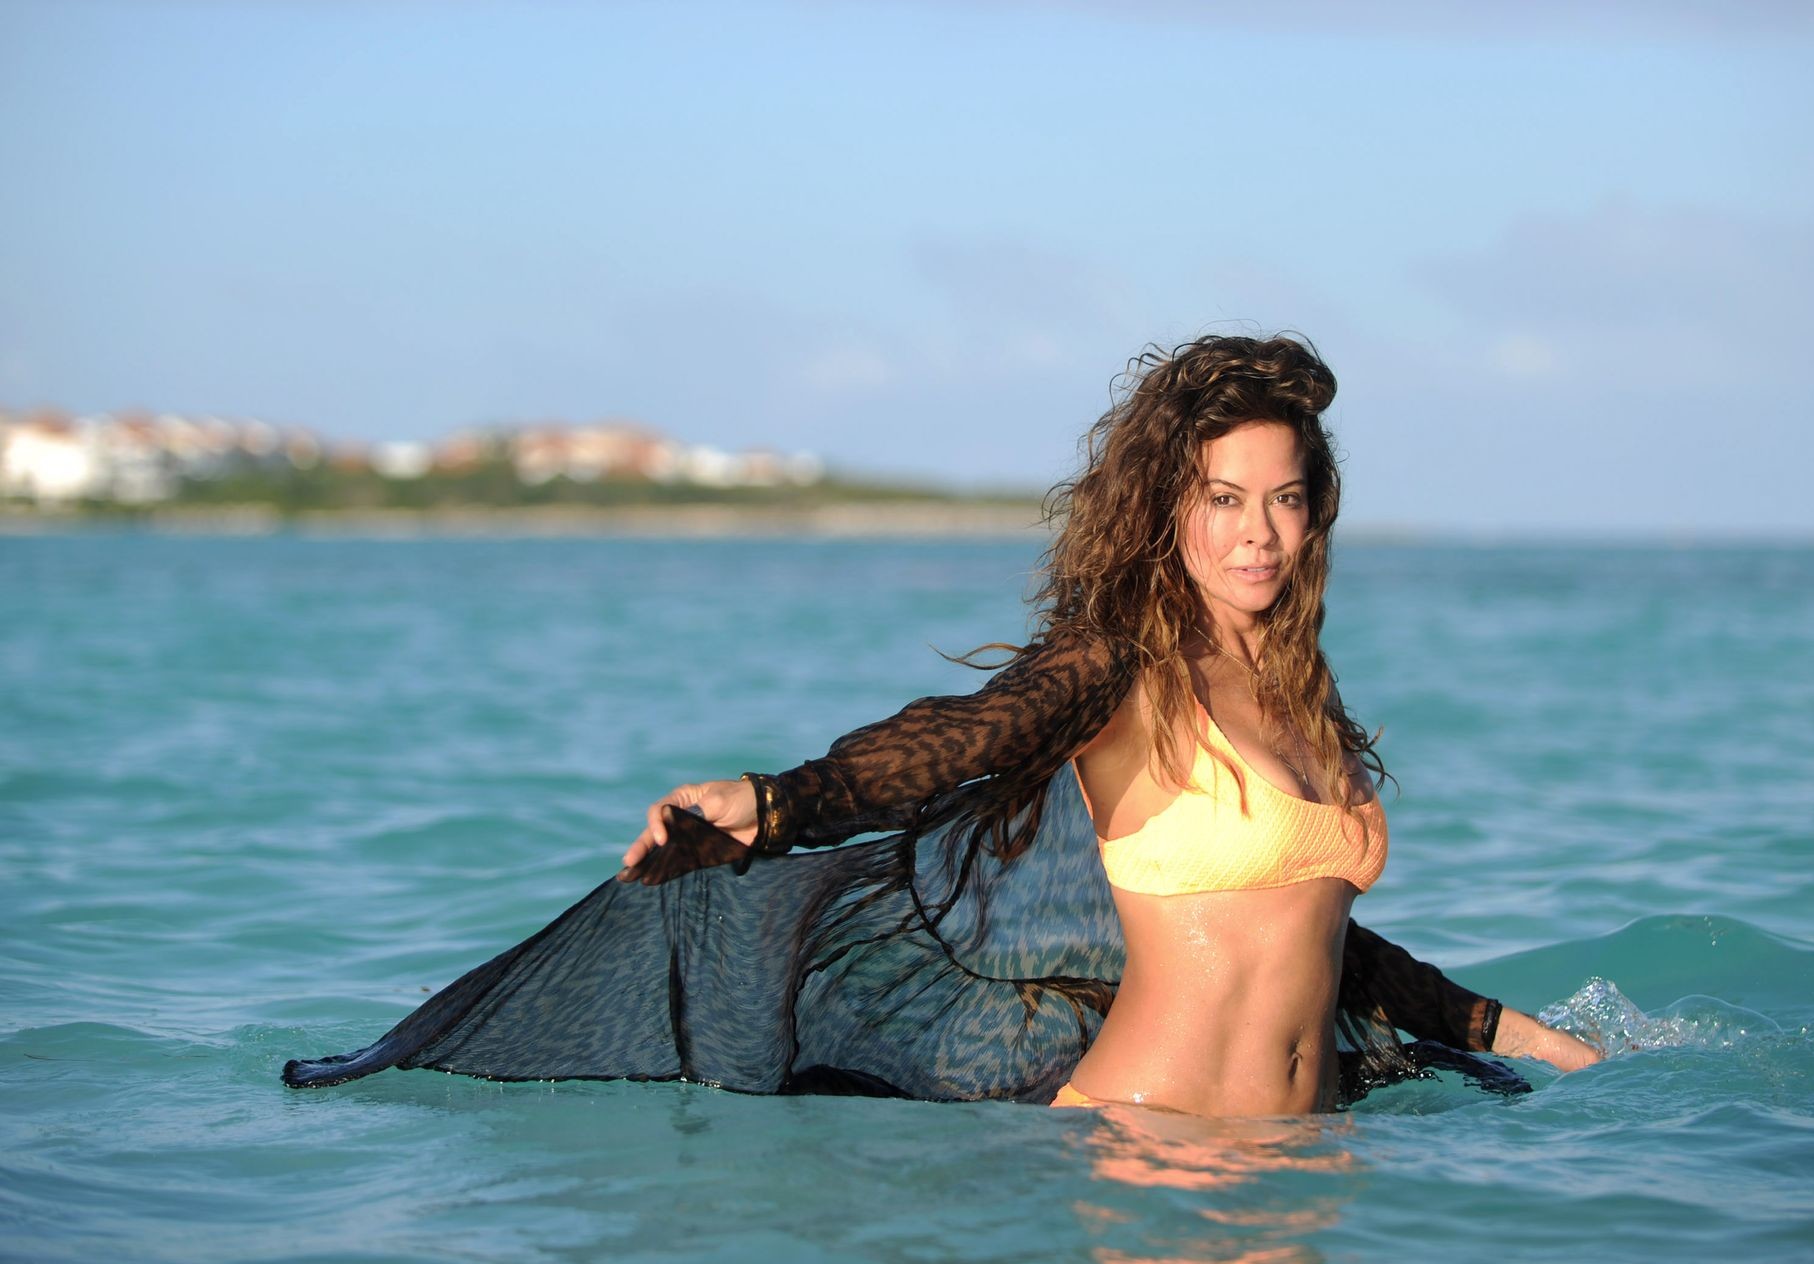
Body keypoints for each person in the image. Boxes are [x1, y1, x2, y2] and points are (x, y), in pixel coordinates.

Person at [283, 332, 1596, 1108]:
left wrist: (1500, 1030)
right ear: (1166, 510)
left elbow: (1306, 926)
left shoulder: (1307, 698)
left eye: (1286, 497)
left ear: (1318, 509)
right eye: (1222, 498)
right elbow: (959, 741)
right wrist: (778, 805)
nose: (1258, 531)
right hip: (1152, 1146)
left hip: (1306, 1156)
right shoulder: (1119, 668)